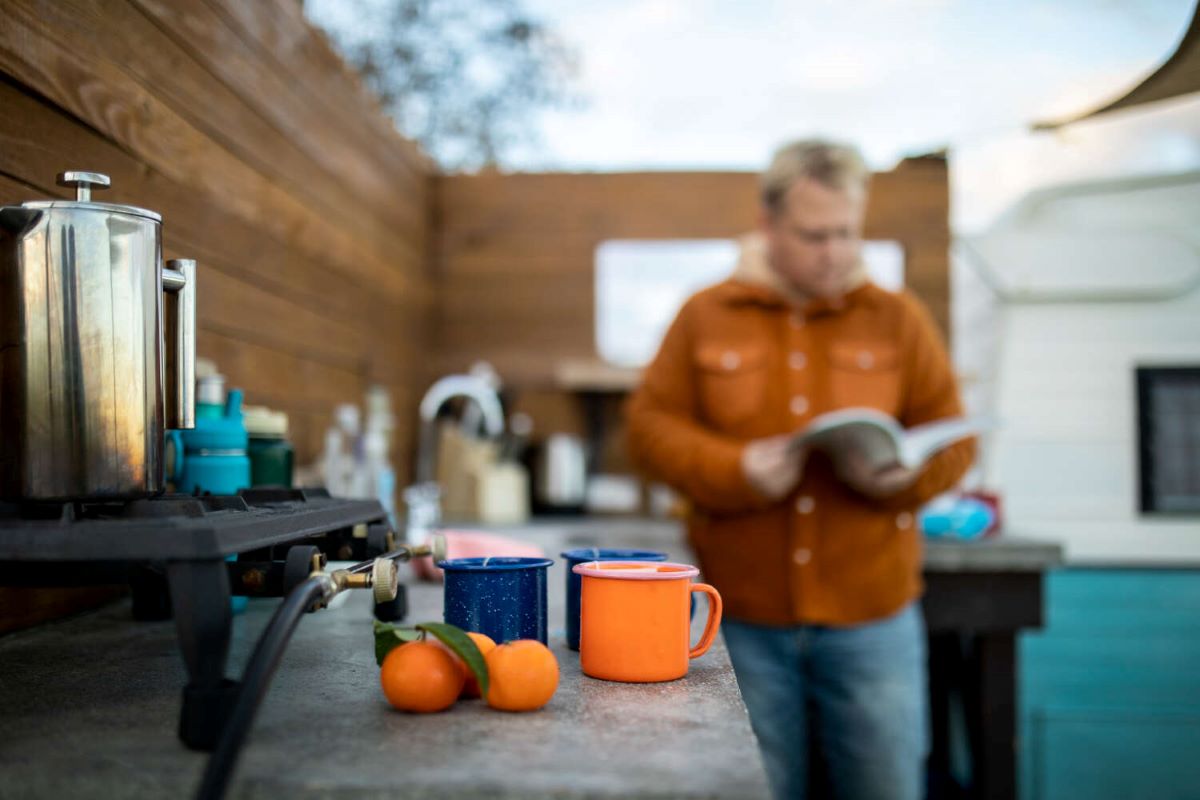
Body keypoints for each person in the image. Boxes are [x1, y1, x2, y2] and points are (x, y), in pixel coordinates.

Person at [625, 139, 975, 800]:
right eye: (815, 235)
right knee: (753, 788)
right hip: (738, 622)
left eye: (847, 233)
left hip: (875, 621)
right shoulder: (704, 314)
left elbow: (955, 442)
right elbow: (646, 432)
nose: (835, 252)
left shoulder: (898, 318)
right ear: (767, 225)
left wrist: (905, 479)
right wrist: (733, 470)